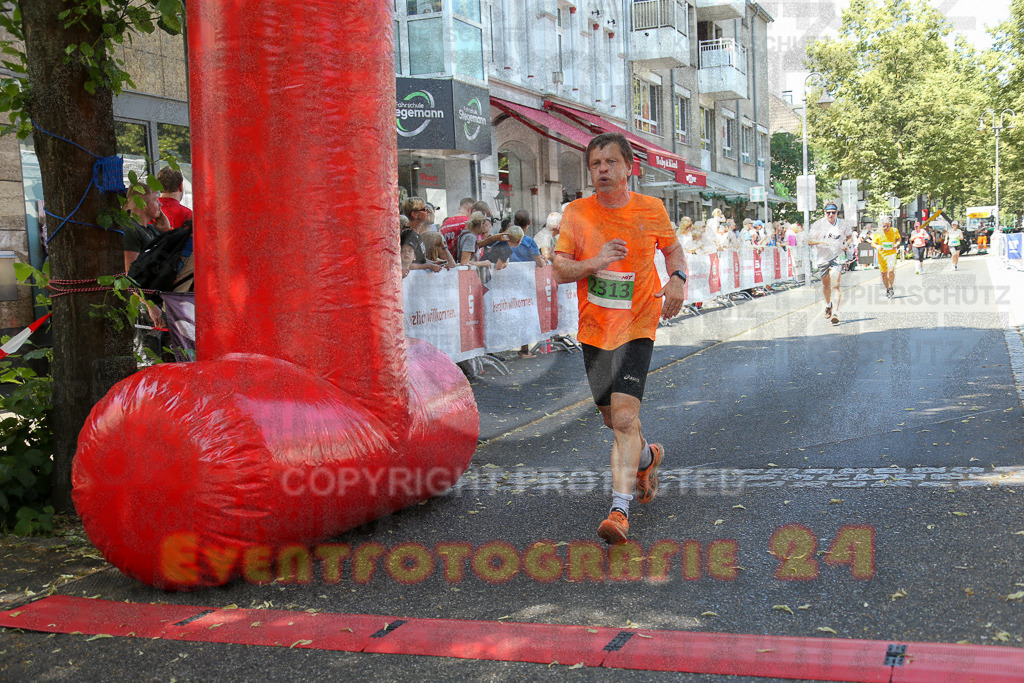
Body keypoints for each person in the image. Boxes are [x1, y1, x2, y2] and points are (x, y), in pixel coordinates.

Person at [552, 132, 686, 546]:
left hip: (638, 323)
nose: (603, 169)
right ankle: (647, 457)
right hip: (595, 330)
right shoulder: (577, 213)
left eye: (611, 162)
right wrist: (595, 262)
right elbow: (560, 269)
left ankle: (619, 511)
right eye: (596, 164)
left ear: (629, 167)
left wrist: (678, 279)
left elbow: (673, 251)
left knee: (625, 418)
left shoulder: (651, 208)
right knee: (612, 419)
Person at [807, 202, 854, 325]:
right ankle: (828, 305)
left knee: (835, 285)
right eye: (828, 213)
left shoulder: (843, 224)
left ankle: (836, 313)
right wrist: (820, 242)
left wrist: (846, 244)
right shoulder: (818, 225)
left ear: (837, 212)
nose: (831, 215)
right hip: (822, 258)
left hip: (837, 256)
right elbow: (809, 241)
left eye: (833, 212)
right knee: (826, 285)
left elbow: (850, 237)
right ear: (825, 213)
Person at [122, 182, 171, 271]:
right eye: (156, 200)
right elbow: (130, 271)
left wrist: (167, 230)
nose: (160, 204)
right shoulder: (131, 230)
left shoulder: (152, 229)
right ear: (143, 204)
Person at [400, 196, 444, 273]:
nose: (429, 211)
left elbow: (418, 259)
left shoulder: (415, 233)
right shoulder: (409, 235)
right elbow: (407, 264)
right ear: (414, 214)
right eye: (425, 209)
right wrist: (429, 265)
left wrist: (432, 262)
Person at [871, 217, 901, 298]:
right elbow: (873, 243)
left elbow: (899, 238)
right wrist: (877, 246)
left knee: (891, 271)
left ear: (890, 224)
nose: (886, 228)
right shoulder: (878, 232)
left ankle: (891, 287)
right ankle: (887, 289)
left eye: (887, 226)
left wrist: (897, 244)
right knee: (884, 274)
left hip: (891, 254)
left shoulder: (894, 230)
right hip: (882, 255)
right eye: (884, 226)